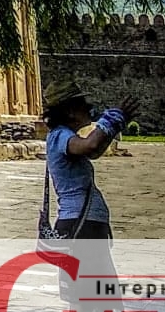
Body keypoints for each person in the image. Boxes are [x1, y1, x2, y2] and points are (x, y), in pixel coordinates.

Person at [43, 88, 125, 238]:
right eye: (83, 105)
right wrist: (110, 120)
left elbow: (93, 152)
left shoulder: (66, 136)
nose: (89, 108)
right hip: (79, 223)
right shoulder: (60, 135)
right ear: (70, 111)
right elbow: (90, 145)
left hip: (83, 222)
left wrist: (114, 127)